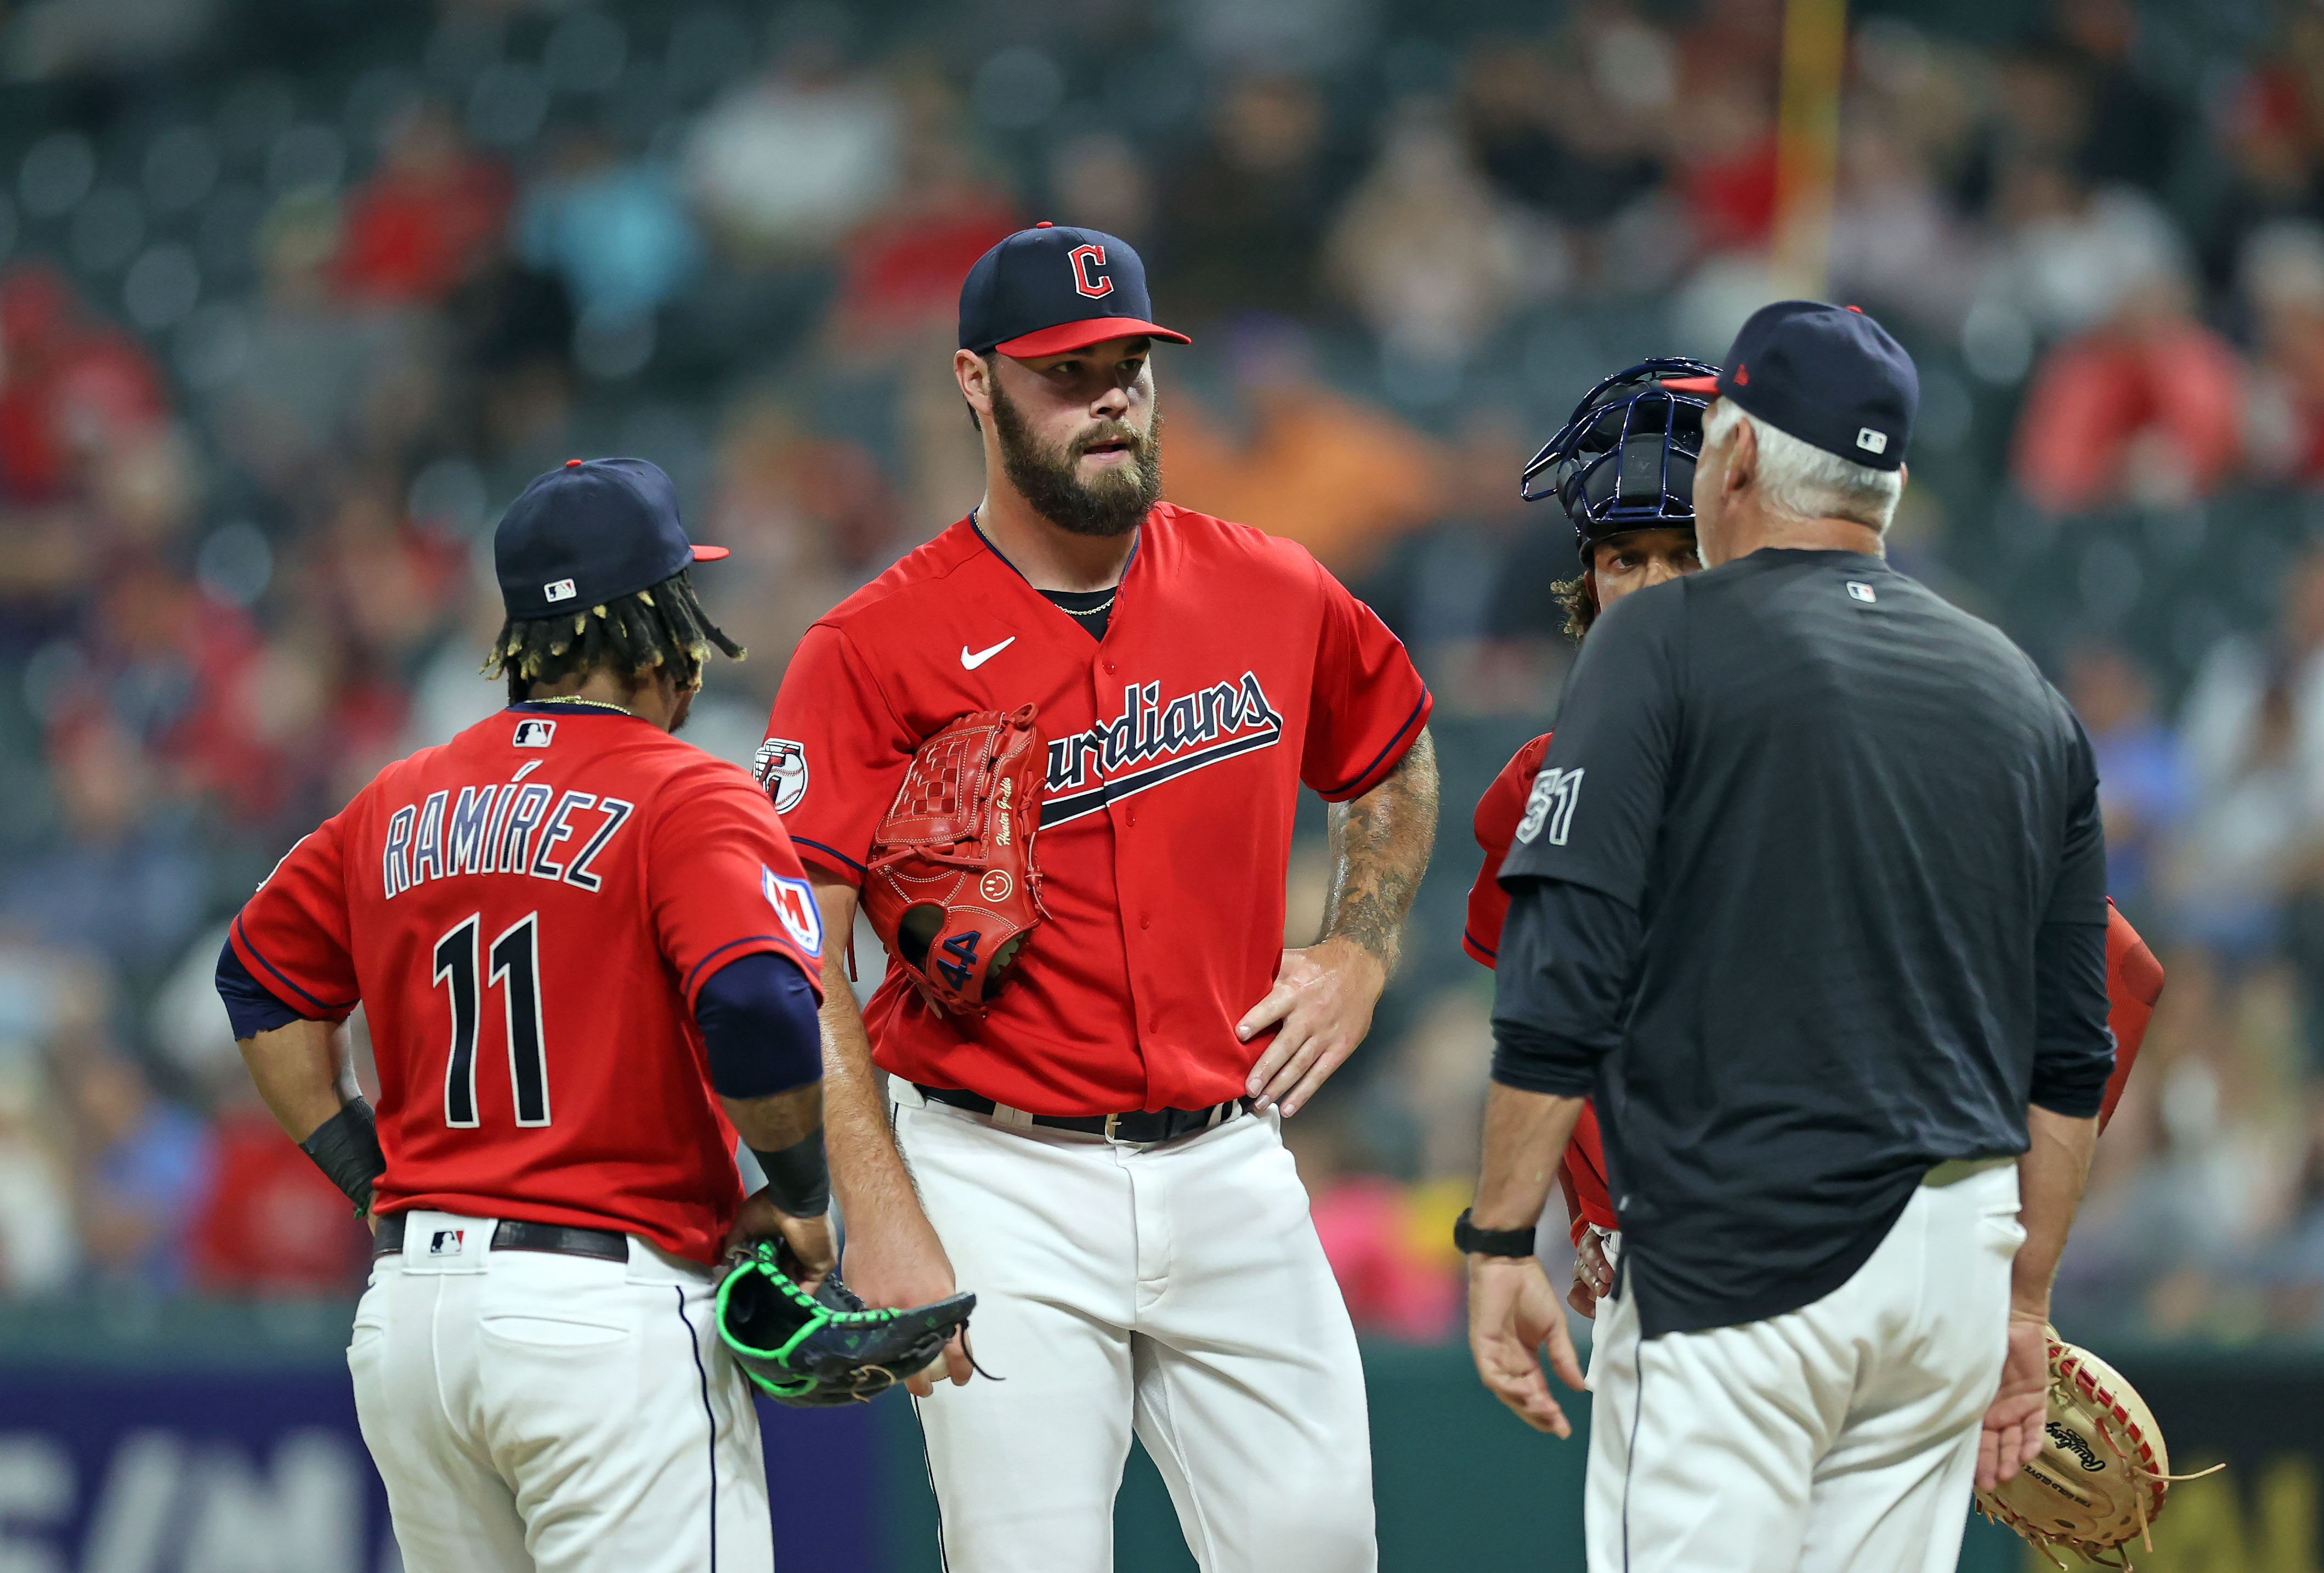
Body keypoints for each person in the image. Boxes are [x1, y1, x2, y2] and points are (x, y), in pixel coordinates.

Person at [759, 223, 1438, 1573]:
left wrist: (1360, 950)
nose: (1111, 395)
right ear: (975, 381)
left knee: (1320, 1550)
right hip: (991, 1165)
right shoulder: (869, 649)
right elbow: (796, 954)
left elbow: (1395, 753)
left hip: (1228, 1156)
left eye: (1128, 362)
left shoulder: (1268, 584)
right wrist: (879, 1206)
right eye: (1067, 372)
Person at [1459, 301, 2118, 1573]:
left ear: (1740, 461)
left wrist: (1497, 1238)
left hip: (1742, 1247)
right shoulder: (2017, 691)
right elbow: (2073, 1053)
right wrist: (2023, 1299)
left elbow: (1560, 990)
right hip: (1950, 1271)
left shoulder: (1658, 648)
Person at [214, 459, 833, 1573]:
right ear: (663, 628)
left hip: (412, 1325)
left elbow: (257, 981)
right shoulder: (686, 790)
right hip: (601, 1317)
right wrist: (799, 1197)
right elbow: (754, 999)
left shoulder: (399, 797)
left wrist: (374, 1179)